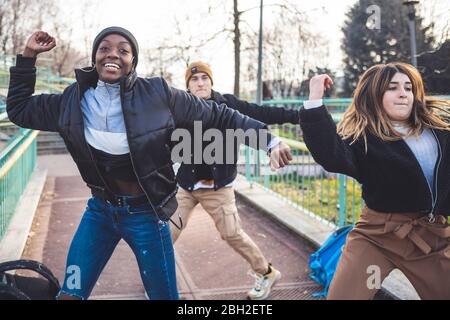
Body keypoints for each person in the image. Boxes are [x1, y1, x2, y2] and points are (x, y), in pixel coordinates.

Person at [6, 28, 291, 300]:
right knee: (70, 292)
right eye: (104, 49)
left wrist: (270, 142)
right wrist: (28, 57)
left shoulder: (157, 94)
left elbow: (223, 116)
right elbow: (19, 110)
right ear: (94, 58)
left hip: (145, 214)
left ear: (133, 61)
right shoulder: (72, 100)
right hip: (100, 212)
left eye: (123, 50)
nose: (112, 54)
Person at [299, 62, 450, 300]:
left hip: (430, 238)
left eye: (408, 88)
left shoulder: (440, 131)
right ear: (375, 95)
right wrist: (315, 101)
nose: (403, 93)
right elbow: (332, 155)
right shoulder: (364, 139)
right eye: (392, 88)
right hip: (377, 236)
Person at [169, 61, 299, 300]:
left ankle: (267, 273)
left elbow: (261, 115)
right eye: (194, 80)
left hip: (218, 187)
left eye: (204, 78)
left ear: (211, 81)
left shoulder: (227, 105)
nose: (200, 83)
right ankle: (160, 282)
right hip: (186, 185)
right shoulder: (180, 109)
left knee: (232, 234)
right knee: (167, 231)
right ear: (187, 86)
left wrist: (298, 117)